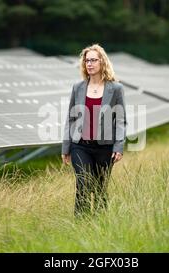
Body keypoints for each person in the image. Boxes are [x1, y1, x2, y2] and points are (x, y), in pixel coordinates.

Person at [61, 44, 127, 217]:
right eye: (86, 60)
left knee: (99, 187)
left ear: (102, 62)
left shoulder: (116, 89)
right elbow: (71, 118)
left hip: (105, 147)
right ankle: (80, 224)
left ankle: (100, 224)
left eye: (93, 60)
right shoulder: (78, 87)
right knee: (83, 183)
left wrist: (118, 146)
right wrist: (66, 147)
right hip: (80, 146)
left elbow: (120, 120)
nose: (89, 64)